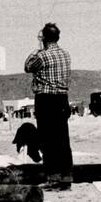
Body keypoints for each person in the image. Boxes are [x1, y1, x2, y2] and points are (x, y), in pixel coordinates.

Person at [24, 21, 73, 190]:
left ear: (44, 38)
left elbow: (28, 67)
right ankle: (66, 176)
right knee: (62, 139)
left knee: (47, 140)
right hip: (62, 99)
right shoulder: (66, 55)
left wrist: (37, 49)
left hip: (46, 99)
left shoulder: (42, 56)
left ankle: (53, 177)